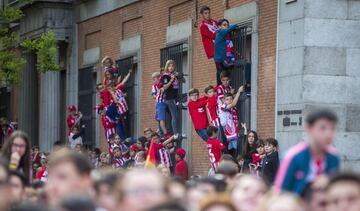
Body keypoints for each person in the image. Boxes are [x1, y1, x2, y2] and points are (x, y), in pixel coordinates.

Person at [274, 108, 340, 194]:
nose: (328, 134)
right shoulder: (293, 156)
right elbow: (280, 191)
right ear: (309, 129)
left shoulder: (334, 157)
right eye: (322, 128)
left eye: (332, 129)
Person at [218, 86, 244, 157]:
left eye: (230, 99)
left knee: (236, 151)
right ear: (224, 100)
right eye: (227, 99)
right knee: (228, 151)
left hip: (234, 132)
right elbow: (233, 103)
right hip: (225, 131)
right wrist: (238, 92)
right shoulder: (222, 107)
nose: (229, 101)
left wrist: (232, 94)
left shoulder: (233, 109)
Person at [158, 60, 179, 135]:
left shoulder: (173, 75)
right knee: (174, 116)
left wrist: (178, 75)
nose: (171, 67)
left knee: (172, 116)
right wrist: (171, 80)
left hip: (174, 98)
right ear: (167, 67)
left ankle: (172, 133)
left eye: (172, 66)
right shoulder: (166, 76)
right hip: (169, 98)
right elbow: (165, 87)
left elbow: (183, 81)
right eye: (169, 66)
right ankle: (175, 133)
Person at [152, 72, 169, 137]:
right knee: (162, 119)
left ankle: (162, 131)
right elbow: (154, 95)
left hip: (163, 102)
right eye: (153, 79)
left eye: (155, 79)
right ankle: (165, 133)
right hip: (160, 102)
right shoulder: (155, 86)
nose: (154, 81)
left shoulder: (161, 83)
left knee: (164, 118)